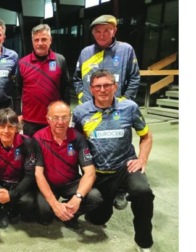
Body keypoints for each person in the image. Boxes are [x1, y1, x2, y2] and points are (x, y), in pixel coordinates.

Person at [72, 69, 154, 251]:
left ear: (115, 87)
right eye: (98, 86)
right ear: (91, 89)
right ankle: (109, 200)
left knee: (143, 192)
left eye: (107, 85)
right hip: (99, 173)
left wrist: (142, 159)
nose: (103, 89)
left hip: (125, 167)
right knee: (97, 219)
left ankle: (144, 242)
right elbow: (75, 143)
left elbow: (146, 136)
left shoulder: (129, 107)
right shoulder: (80, 112)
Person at [33, 101, 103, 231]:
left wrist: (77, 198)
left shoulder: (78, 138)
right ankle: (61, 211)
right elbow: (38, 174)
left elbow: (90, 173)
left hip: (71, 182)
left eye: (64, 117)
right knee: (45, 215)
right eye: (55, 117)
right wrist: (54, 204)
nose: (60, 122)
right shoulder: (38, 138)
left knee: (95, 197)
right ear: (48, 119)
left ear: (70, 118)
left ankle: (70, 215)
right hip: (49, 183)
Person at [15, 24, 71, 137]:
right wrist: (18, 113)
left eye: (44, 39)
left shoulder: (60, 60)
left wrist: (66, 112)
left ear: (50, 40)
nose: (40, 43)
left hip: (54, 119)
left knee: (52, 152)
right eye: (36, 40)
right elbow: (17, 90)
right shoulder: (22, 63)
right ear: (32, 41)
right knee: (32, 153)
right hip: (30, 121)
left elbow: (65, 89)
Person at [73, 14, 140, 105]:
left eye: (106, 31)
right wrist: (81, 95)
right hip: (89, 107)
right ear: (93, 33)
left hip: (116, 107)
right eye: (98, 31)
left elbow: (134, 78)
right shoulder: (85, 52)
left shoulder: (126, 50)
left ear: (114, 31)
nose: (102, 36)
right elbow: (77, 78)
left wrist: (126, 99)